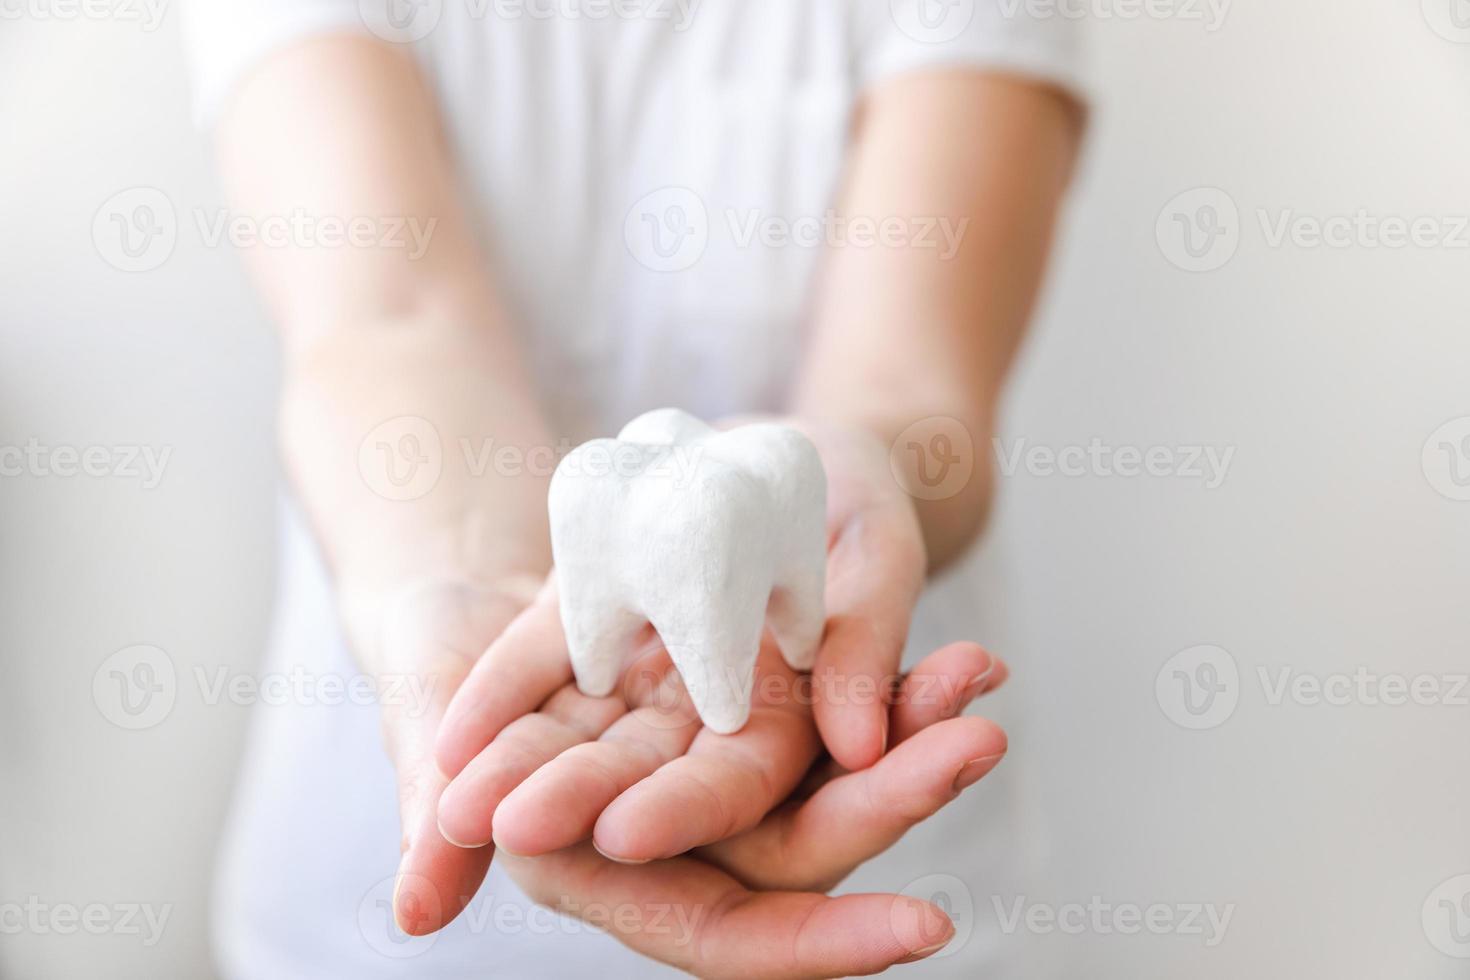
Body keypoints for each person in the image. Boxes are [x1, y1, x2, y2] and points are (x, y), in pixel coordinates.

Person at [184, 1, 1086, 975]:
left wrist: (864, 473)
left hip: (876, 819)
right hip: (379, 905)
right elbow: (389, 318)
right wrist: (463, 564)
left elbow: (915, 375)